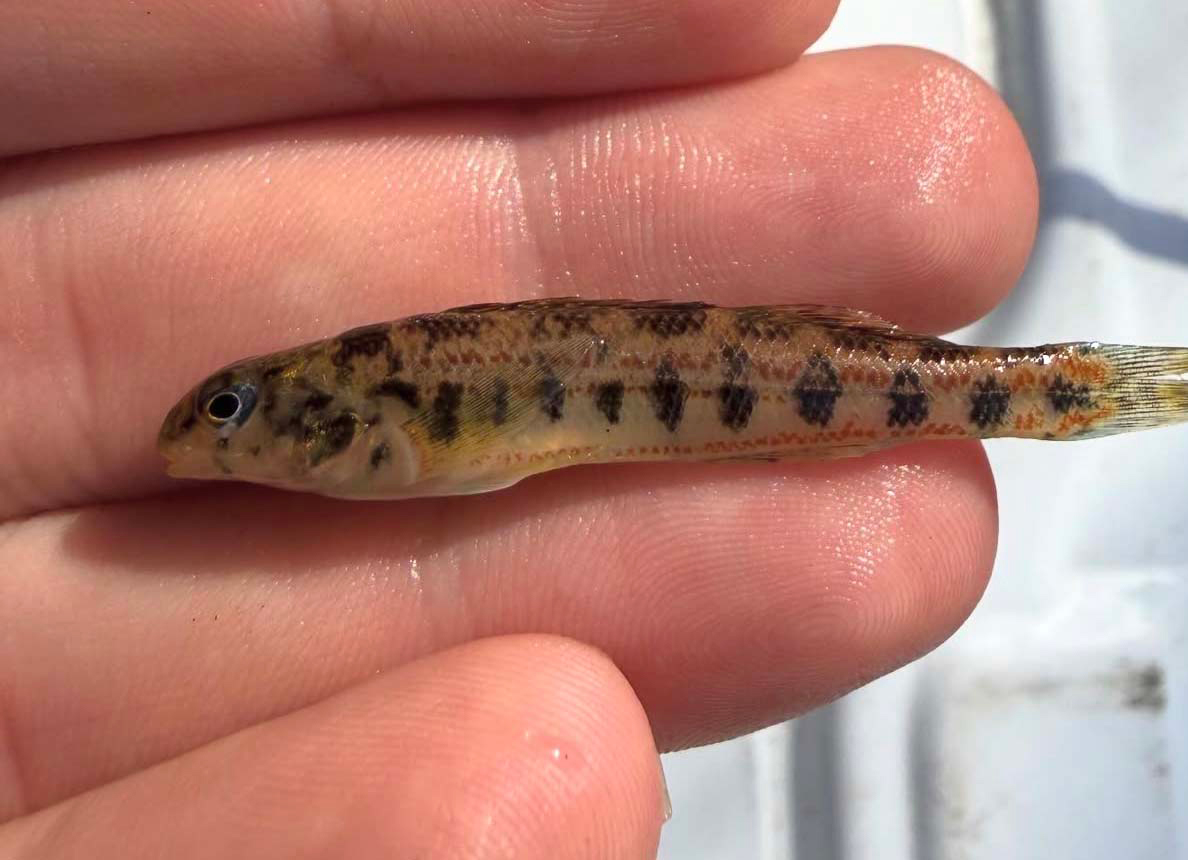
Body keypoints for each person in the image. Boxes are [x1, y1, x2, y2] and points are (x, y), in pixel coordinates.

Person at [0, 1, 1037, 855]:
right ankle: (1034, 389)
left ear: (329, 413)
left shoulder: (369, 402)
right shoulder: (359, 414)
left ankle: (1037, 390)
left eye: (233, 412)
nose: (212, 435)